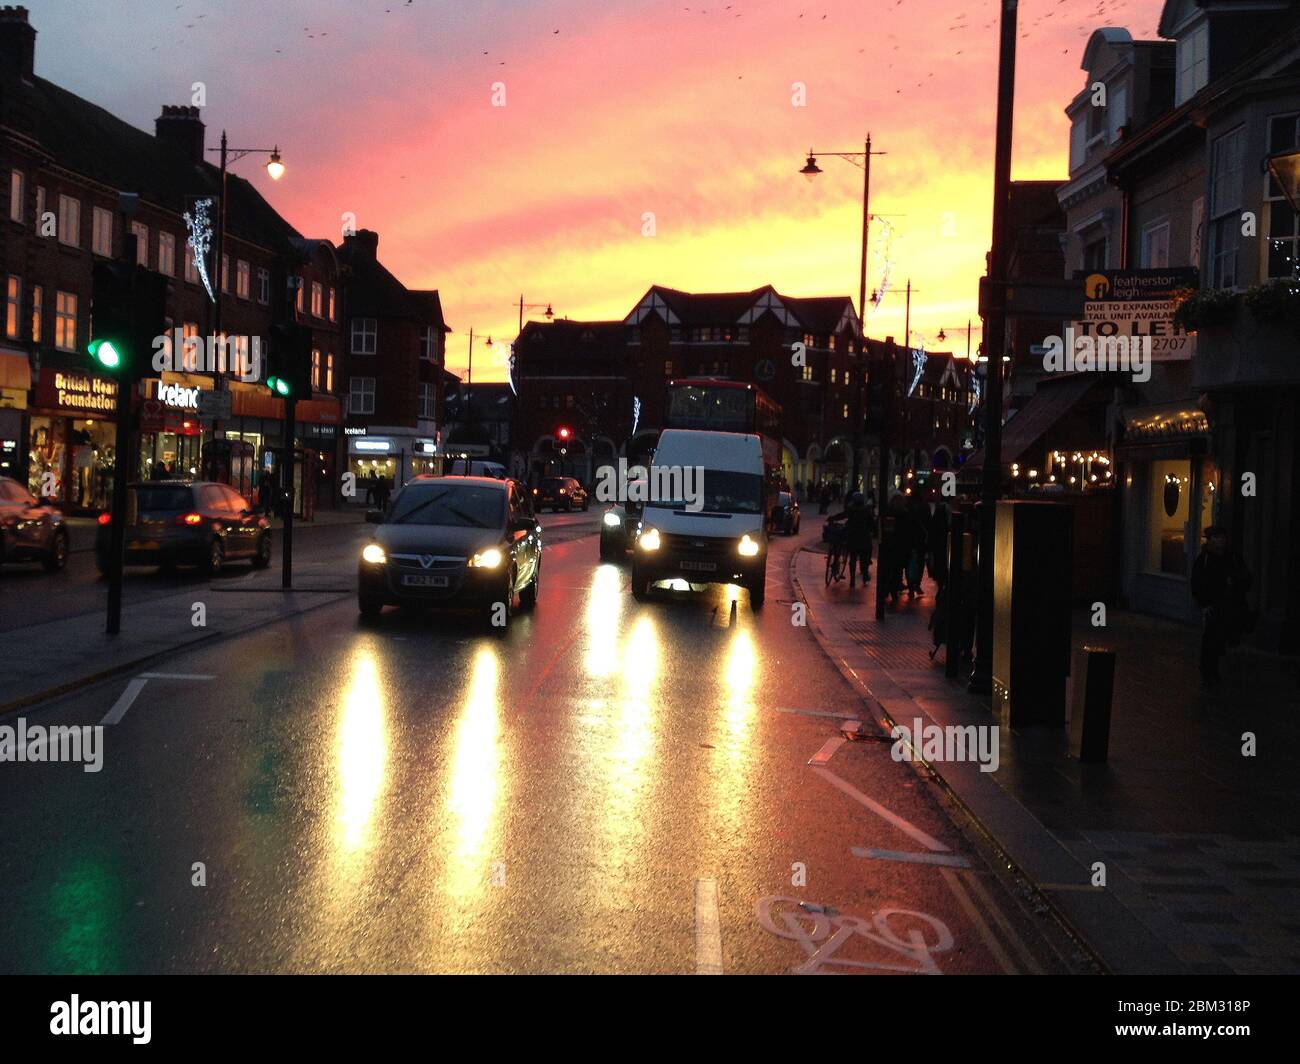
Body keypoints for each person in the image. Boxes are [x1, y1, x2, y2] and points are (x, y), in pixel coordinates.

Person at [1191, 526, 1254, 688]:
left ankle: (1213, 668)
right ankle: (1209, 671)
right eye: (1216, 537)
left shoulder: (1232, 557)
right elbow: (1197, 583)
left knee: (1222, 638)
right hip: (1214, 606)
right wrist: (1204, 604)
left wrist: (1236, 583)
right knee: (1212, 639)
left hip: (1230, 605)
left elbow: (1246, 577)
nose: (1220, 541)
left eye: (1221, 537)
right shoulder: (1204, 559)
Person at [825, 492, 874, 589]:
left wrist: (832, 518)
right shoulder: (866, 510)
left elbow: (842, 515)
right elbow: (871, 523)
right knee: (864, 558)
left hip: (852, 537)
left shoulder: (851, 509)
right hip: (864, 537)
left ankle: (852, 580)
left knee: (853, 558)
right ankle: (864, 575)